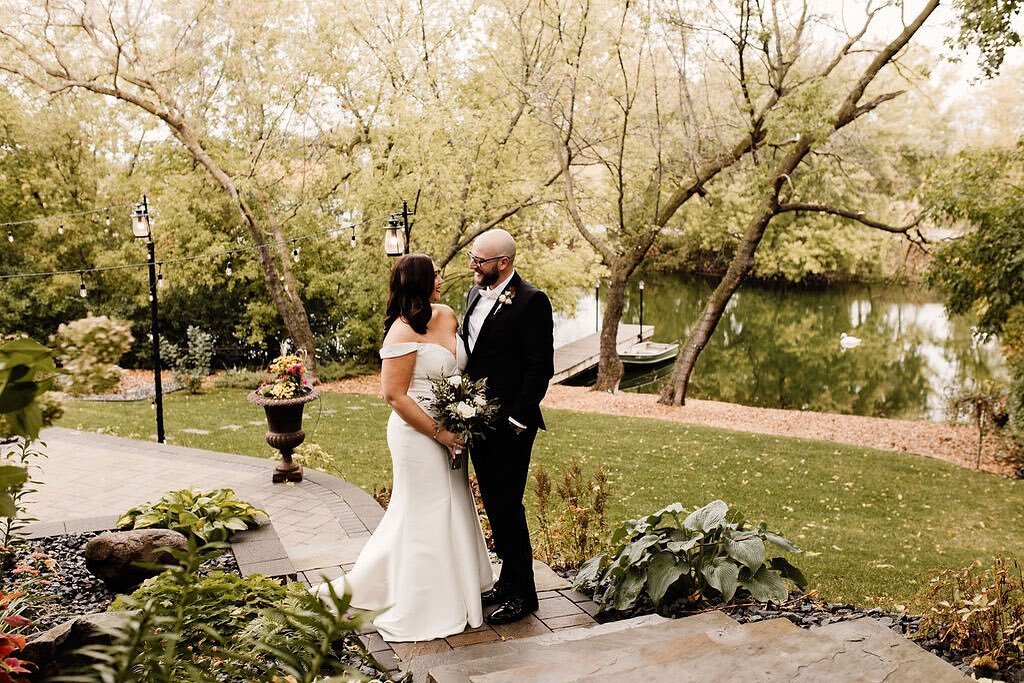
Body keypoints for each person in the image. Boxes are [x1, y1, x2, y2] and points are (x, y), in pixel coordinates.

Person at [314, 253, 494, 642]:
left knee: (456, 501)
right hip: (417, 435)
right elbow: (394, 396)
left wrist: (465, 412)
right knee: (423, 511)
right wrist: (440, 434)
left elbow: (462, 367)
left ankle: (463, 583)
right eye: (435, 274)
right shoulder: (399, 332)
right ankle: (424, 598)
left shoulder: (445, 315)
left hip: (453, 426)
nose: (441, 278)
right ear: (419, 282)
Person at [462, 229, 554, 625]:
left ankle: (524, 595)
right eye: (471, 256)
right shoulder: (473, 293)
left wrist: (516, 420)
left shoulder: (532, 301)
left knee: (508, 507)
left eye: (479, 260)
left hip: (512, 426)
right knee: (494, 506)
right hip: (478, 420)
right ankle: (507, 579)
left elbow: (540, 366)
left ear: (503, 263)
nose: (472, 264)